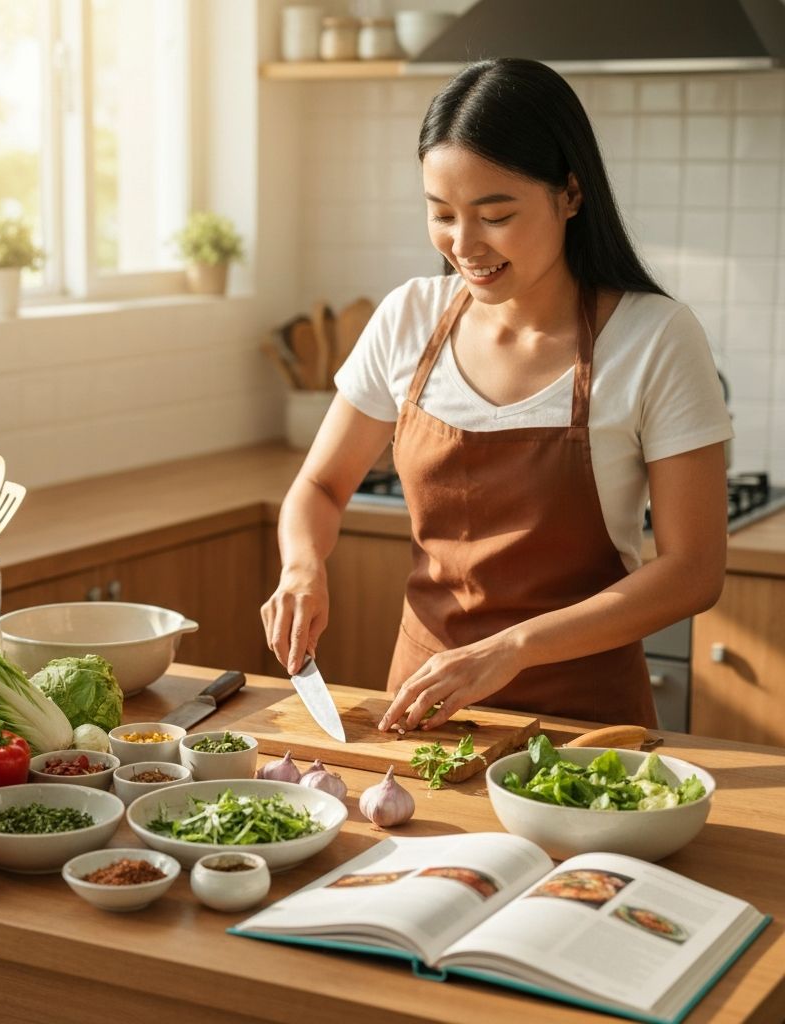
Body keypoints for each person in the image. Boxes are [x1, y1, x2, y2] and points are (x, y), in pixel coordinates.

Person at [260, 58, 731, 733]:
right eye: (442, 214)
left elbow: (693, 571)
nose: (464, 243)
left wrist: (513, 648)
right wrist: (302, 567)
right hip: (424, 713)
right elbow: (321, 486)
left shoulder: (655, 337)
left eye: (496, 214)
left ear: (571, 194)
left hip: (587, 731)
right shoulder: (408, 318)